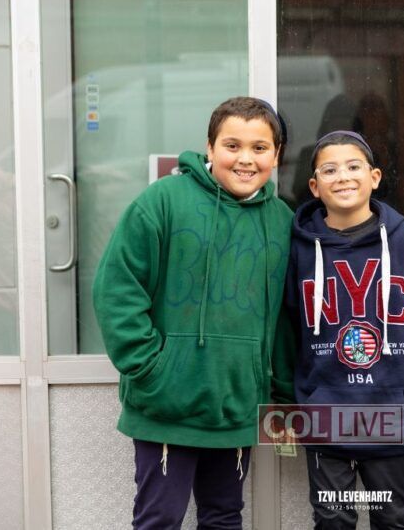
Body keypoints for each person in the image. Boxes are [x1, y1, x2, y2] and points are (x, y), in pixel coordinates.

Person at [92, 96, 295, 529]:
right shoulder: (162, 201)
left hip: (236, 407)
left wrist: (281, 392)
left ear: (276, 155)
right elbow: (117, 288)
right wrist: (151, 368)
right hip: (165, 407)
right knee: (159, 519)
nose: (245, 159)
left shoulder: (281, 220)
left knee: (224, 518)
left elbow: (283, 317)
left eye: (259, 148)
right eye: (232, 145)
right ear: (210, 147)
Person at [284, 130, 404, 529]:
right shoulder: (300, 248)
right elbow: (287, 326)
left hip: (391, 413)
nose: (343, 176)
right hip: (326, 415)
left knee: (392, 519)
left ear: (374, 177)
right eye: (330, 170)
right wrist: (300, 396)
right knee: (333, 519)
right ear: (314, 186)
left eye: (353, 167)